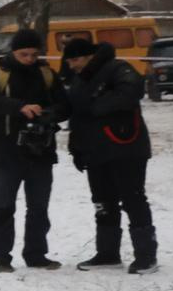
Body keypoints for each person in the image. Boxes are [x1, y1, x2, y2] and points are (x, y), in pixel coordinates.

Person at [0, 29, 66, 273]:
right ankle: (1, 257)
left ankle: (36, 254)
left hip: (41, 151)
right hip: (6, 153)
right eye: (24, 54)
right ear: (13, 51)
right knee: (3, 206)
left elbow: (65, 105)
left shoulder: (46, 73)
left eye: (34, 55)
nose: (29, 59)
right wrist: (19, 108)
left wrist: (47, 115)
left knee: (39, 208)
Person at [62, 36, 157, 272]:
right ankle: (107, 253)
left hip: (126, 146)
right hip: (95, 151)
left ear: (90, 55)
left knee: (133, 199)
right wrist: (76, 146)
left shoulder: (118, 68)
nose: (71, 65)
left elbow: (131, 92)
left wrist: (95, 106)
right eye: (69, 61)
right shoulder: (79, 79)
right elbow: (77, 115)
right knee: (103, 202)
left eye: (75, 59)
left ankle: (147, 255)